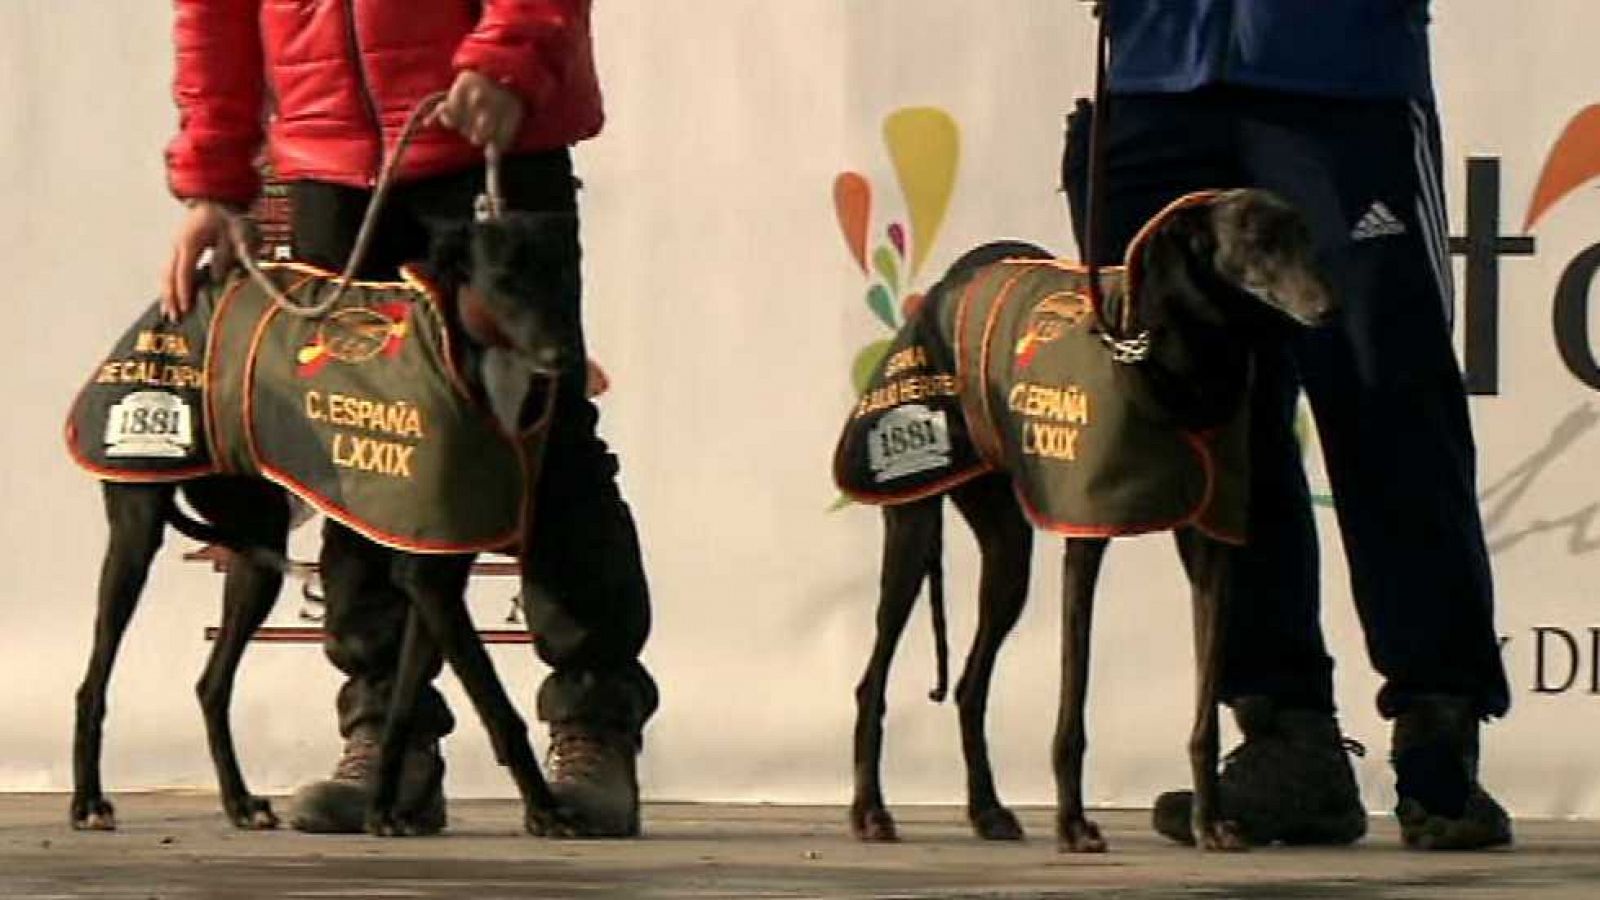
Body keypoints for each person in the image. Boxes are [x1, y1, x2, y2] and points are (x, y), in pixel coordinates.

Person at [161, 0, 656, 837]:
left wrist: (509, 59)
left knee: (545, 443)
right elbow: (212, 13)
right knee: (356, 451)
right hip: (329, 169)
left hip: (489, 139)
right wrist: (212, 180)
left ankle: (592, 730)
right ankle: (387, 742)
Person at [1061, 0, 1512, 850]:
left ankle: (1437, 739)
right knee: (1211, 421)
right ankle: (1285, 738)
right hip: (1156, 80)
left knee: (1387, 401)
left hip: (1337, 78)